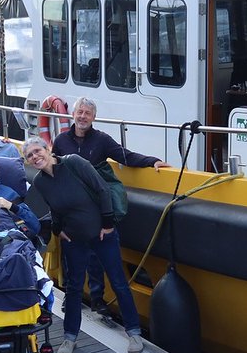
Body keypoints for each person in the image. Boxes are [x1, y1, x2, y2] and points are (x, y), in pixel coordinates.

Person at [22, 137, 144, 353]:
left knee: (118, 283)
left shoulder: (74, 163)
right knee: (74, 288)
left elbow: (102, 190)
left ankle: (134, 333)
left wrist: (107, 224)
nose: (35, 157)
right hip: (75, 240)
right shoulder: (40, 181)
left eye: (37, 151)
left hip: (102, 235)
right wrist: (59, 230)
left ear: (48, 149)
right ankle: (70, 337)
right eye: (29, 156)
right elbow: (54, 209)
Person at [52, 96, 169, 313]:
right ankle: (71, 296)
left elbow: (125, 156)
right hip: (71, 207)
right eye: (80, 112)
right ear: (73, 114)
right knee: (71, 255)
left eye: (87, 113)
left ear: (94, 117)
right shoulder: (60, 141)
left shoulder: (102, 140)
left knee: (95, 254)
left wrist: (152, 160)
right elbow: (53, 167)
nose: (83, 116)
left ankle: (97, 297)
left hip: (94, 206)